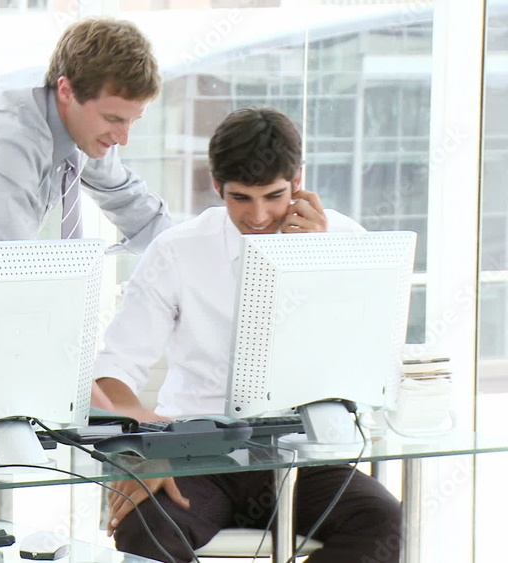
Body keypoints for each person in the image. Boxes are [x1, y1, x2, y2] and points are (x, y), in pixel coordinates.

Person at [93, 107, 401, 563]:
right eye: (241, 198)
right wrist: (148, 449)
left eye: (274, 197)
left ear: (298, 181)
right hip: (197, 461)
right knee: (146, 530)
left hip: (305, 458)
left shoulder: (342, 239)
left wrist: (317, 264)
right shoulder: (177, 250)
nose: (258, 216)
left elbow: (370, 362)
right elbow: (112, 373)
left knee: (383, 521)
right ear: (217, 186)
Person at [0, 17, 173, 253]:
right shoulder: (6, 136)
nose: (123, 138)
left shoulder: (86, 122)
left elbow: (132, 204)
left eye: (132, 121)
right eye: (113, 119)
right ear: (66, 91)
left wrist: (185, 259)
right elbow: (12, 263)